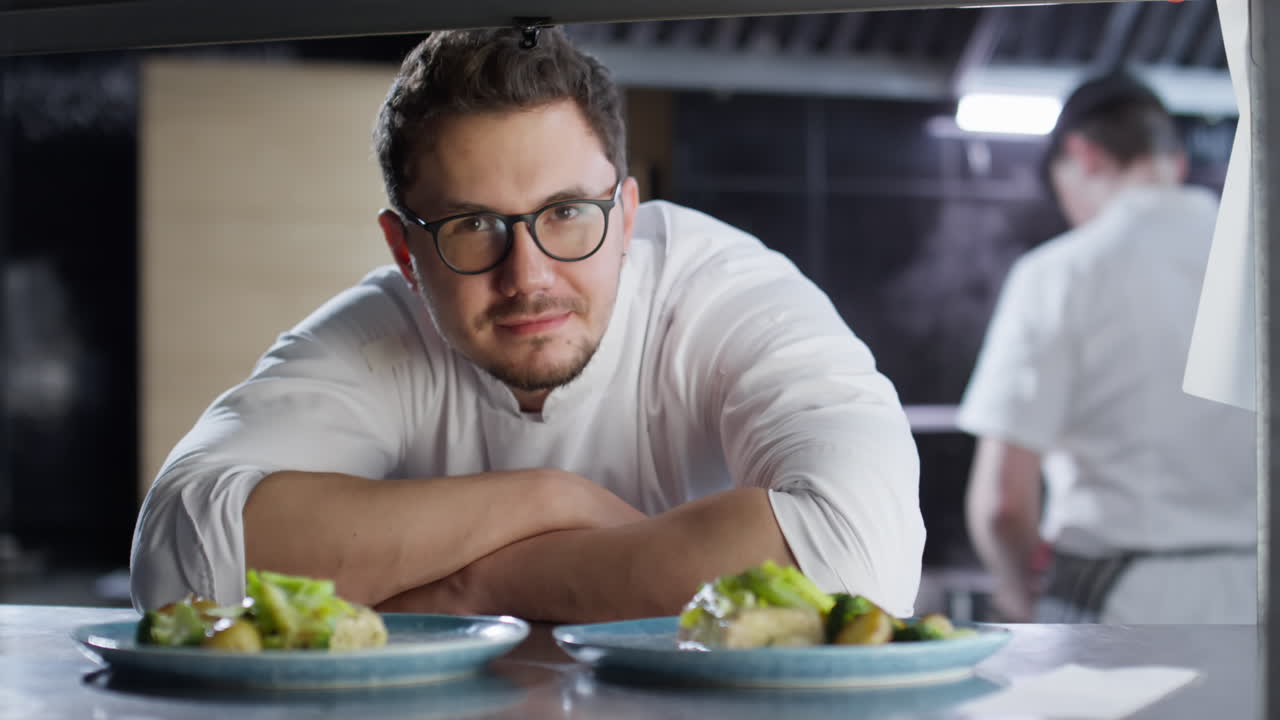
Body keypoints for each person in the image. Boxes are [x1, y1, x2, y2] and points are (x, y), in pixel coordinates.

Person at [128, 27, 925, 622]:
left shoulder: (725, 295)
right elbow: (175, 566)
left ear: (627, 216)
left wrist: (482, 588)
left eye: (568, 214)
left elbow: (860, 565)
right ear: (405, 251)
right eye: (474, 226)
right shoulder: (381, 334)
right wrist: (549, 499)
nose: (529, 276)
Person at [957, 72, 1257, 624]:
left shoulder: (1060, 272)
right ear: (1174, 161)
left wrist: (1017, 592)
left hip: (1119, 605)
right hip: (1259, 599)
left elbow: (1003, 503)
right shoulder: (1260, 257)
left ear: (1084, 156)